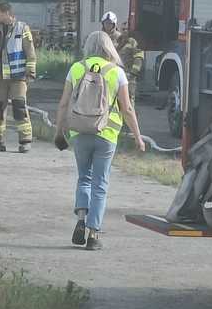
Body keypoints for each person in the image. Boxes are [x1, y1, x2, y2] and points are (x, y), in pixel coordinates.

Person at [54, 30, 146, 250]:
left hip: (80, 132)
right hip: (106, 135)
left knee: (83, 178)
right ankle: (94, 234)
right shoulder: (117, 72)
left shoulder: (76, 68)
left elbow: (63, 103)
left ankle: (81, 219)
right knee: (100, 184)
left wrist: (60, 131)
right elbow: (127, 108)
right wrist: (138, 137)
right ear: (109, 47)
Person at [0, 1, 36, 153]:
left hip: (18, 76)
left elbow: (30, 52)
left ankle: (25, 141)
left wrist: (30, 72)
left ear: (7, 13)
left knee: (19, 106)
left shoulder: (22, 28)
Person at [117, 23, 145, 106]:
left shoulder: (133, 42)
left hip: (129, 77)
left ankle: (129, 117)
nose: (125, 31)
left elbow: (139, 57)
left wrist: (133, 73)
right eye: (123, 29)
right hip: (116, 76)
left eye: (127, 29)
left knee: (128, 100)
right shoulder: (117, 42)